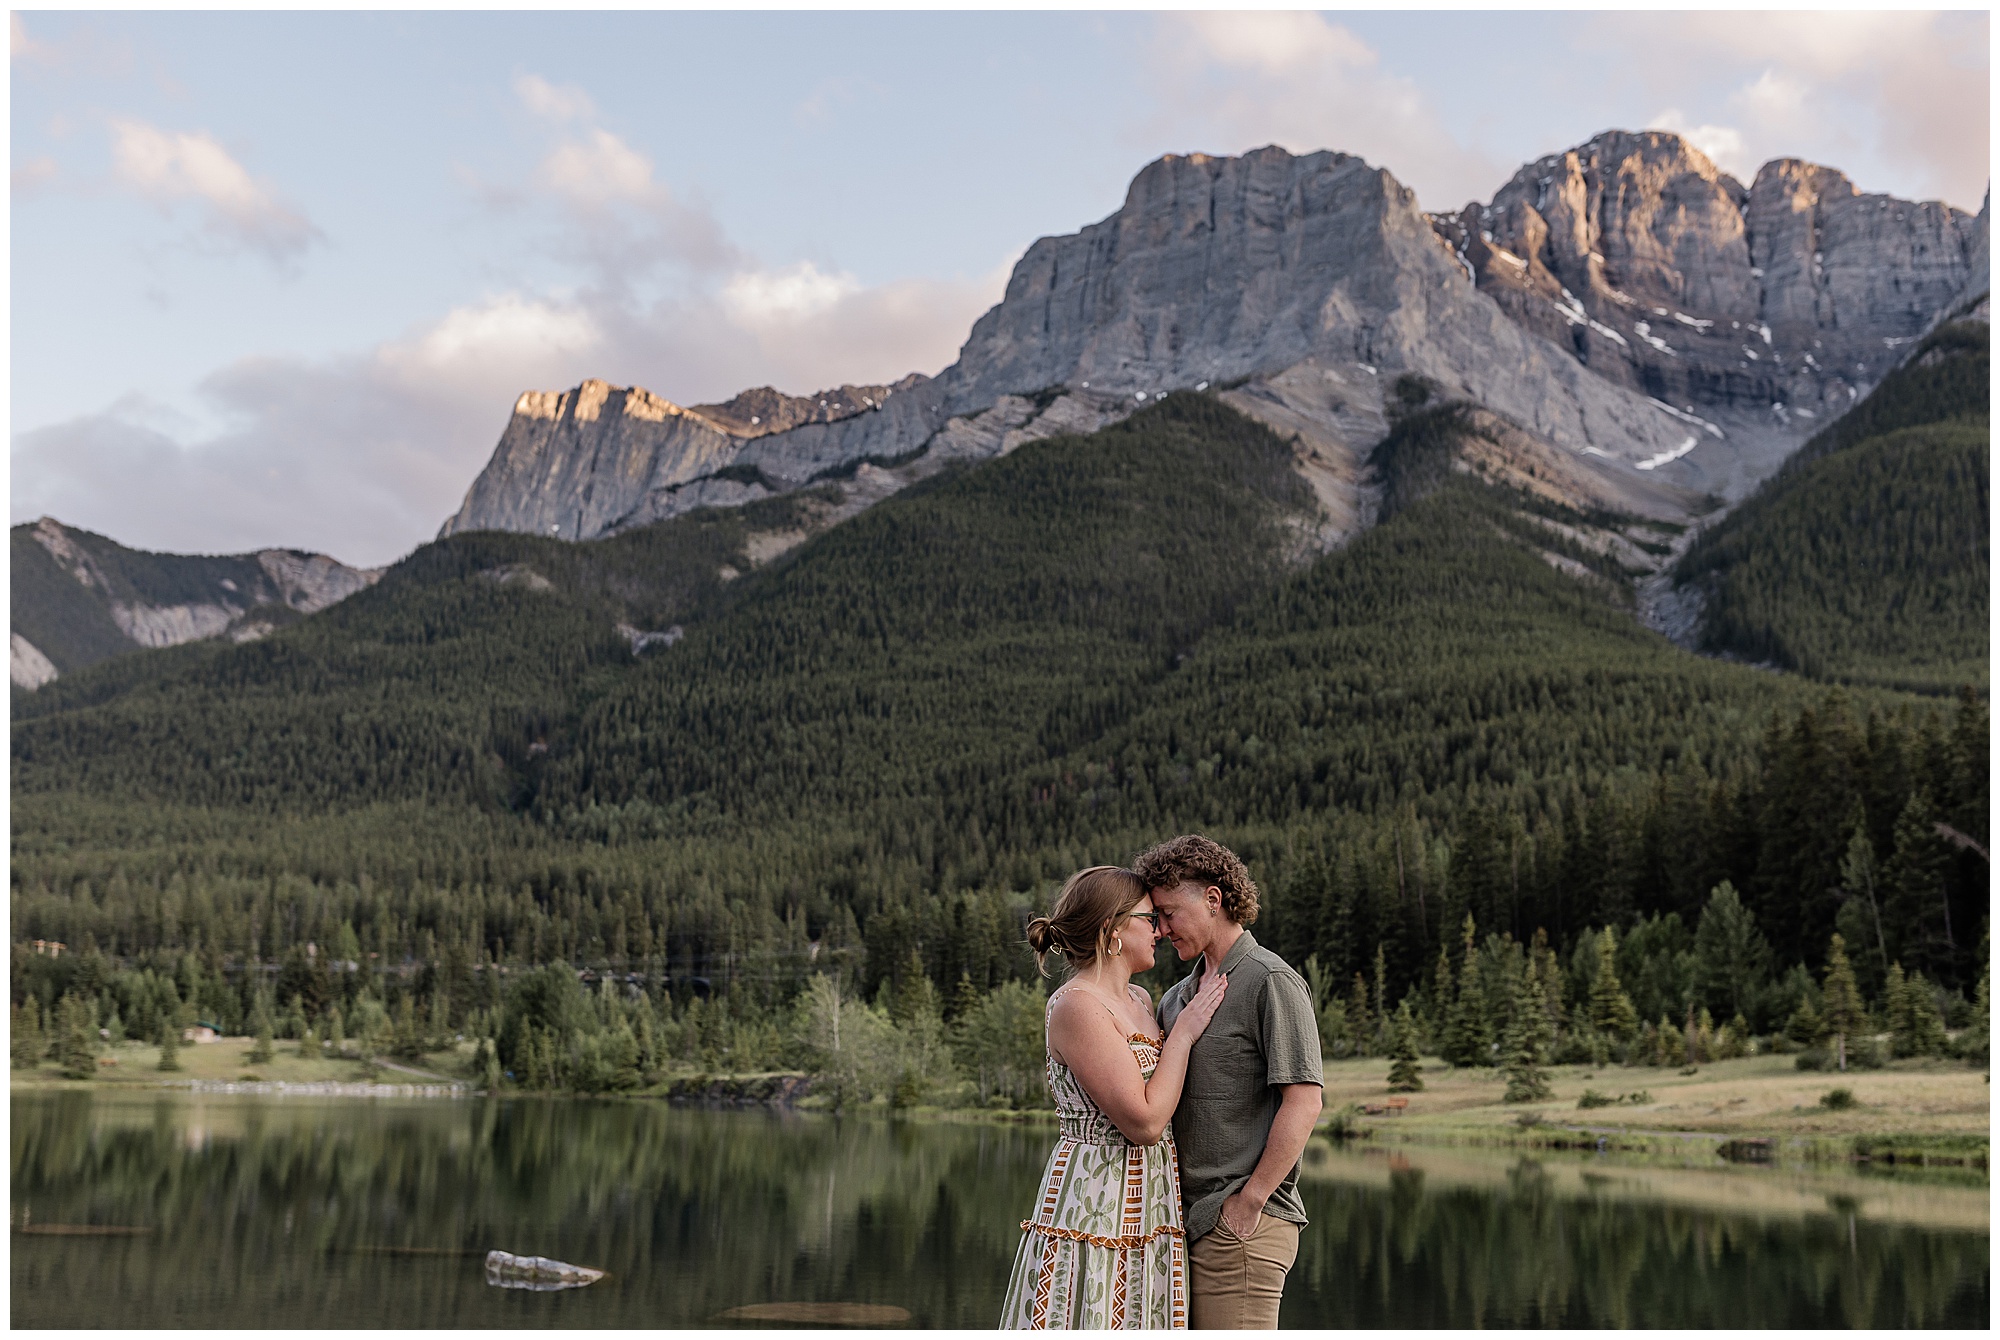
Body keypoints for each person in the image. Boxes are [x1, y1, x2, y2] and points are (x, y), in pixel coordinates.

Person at [999, 865, 1230, 1330]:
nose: (1160, 931)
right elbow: (1144, 1124)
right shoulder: (1077, 1005)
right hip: (1097, 1203)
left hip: (1151, 1201)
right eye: (1149, 918)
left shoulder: (1142, 1000)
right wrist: (1182, 1035)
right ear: (1112, 930)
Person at [1138, 835, 1324, 1330]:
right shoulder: (1176, 1000)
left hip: (1241, 1228)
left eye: (1169, 913)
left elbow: (1304, 1103)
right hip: (1180, 1229)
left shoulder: (1270, 981)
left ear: (1214, 900)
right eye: (1154, 917)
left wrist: (1251, 1202)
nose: (1160, 929)